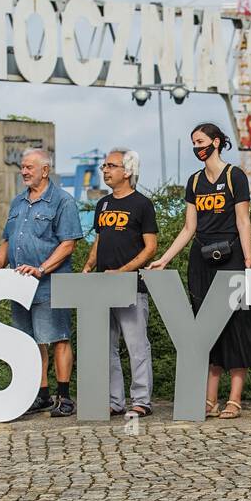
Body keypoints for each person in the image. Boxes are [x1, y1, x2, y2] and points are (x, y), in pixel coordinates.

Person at [149, 123, 251, 420]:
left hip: (231, 258)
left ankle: (235, 398)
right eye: (193, 142)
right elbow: (189, 228)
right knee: (205, 330)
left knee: (236, 326)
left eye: (201, 141)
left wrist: (248, 260)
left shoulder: (235, 176)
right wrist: (164, 259)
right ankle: (209, 399)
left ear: (216, 142)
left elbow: (244, 221)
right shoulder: (194, 182)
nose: (197, 147)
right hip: (200, 260)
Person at [0, 147, 82, 418]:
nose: (24, 172)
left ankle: (65, 397)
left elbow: (68, 244)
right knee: (32, 342)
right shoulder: (17, 203)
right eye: (22, 167)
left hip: (50, 284)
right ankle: (43, 395)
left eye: (29, 168)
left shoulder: (63, 201)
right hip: (19, 286)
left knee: (57, 338)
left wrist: (41, 268)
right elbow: (6, 240)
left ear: (45, 170)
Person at [81, 147, 157, 420]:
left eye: (111, 166)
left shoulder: (142, 204)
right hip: (102, 288)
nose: (105, 170)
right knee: (107, 346)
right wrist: (89, 265)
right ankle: (115, 401)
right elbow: (100, 240)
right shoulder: (103, 204)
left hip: (131, 286)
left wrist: (123, 271)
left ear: (127, 171)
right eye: (104, 166)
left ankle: (141, 401)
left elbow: (150, 248)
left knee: (137, 346)